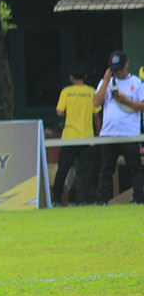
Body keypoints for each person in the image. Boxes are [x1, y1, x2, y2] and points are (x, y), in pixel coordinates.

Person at [93, 50, 144, 204]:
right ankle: (103, 199)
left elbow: (142, 105)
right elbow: (96, 102)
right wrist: (106, 81)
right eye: (114, 69)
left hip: (130, 133)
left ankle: (139, 198)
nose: (117, 72)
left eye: (120, 69)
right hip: (109, 133)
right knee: (106, 169)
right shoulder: (106, 82)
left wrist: (125, 100)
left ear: (127, 64)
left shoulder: (136, 82)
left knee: (134, 167)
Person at [51, 63, 100, 205]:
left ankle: (57, 199)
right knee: (85, 172)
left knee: (63, 169)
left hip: (70, 137)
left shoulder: (66, 92)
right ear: (85, 76)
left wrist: (70, 114)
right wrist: (99, 132)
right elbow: (96, 115)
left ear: (71, 77)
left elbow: (59, 112)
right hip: (87, 137)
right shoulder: (91, 91)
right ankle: (83, 200)